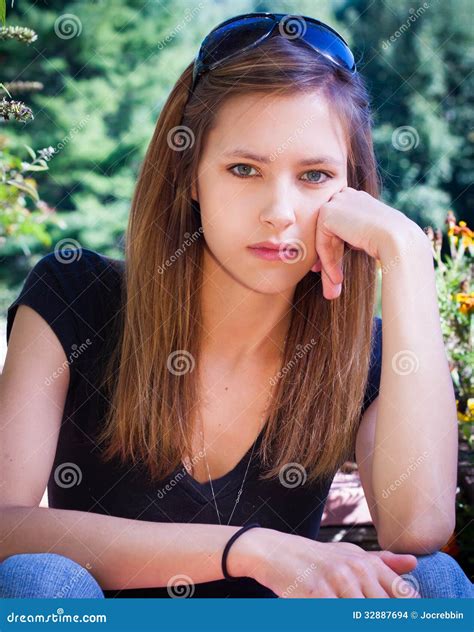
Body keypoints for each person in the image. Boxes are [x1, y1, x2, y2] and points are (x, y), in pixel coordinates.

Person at [1, 12, 472, 600]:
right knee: (35, 579)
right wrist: (248, 550)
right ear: (191, 175)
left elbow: (419, 527)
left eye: (315, 175)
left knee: (435, 580)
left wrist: (407, 259)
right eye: (244, 169)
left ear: (351, 188)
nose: (279, 210)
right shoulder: (75, 297)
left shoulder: (365, 356)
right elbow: (4, 525)